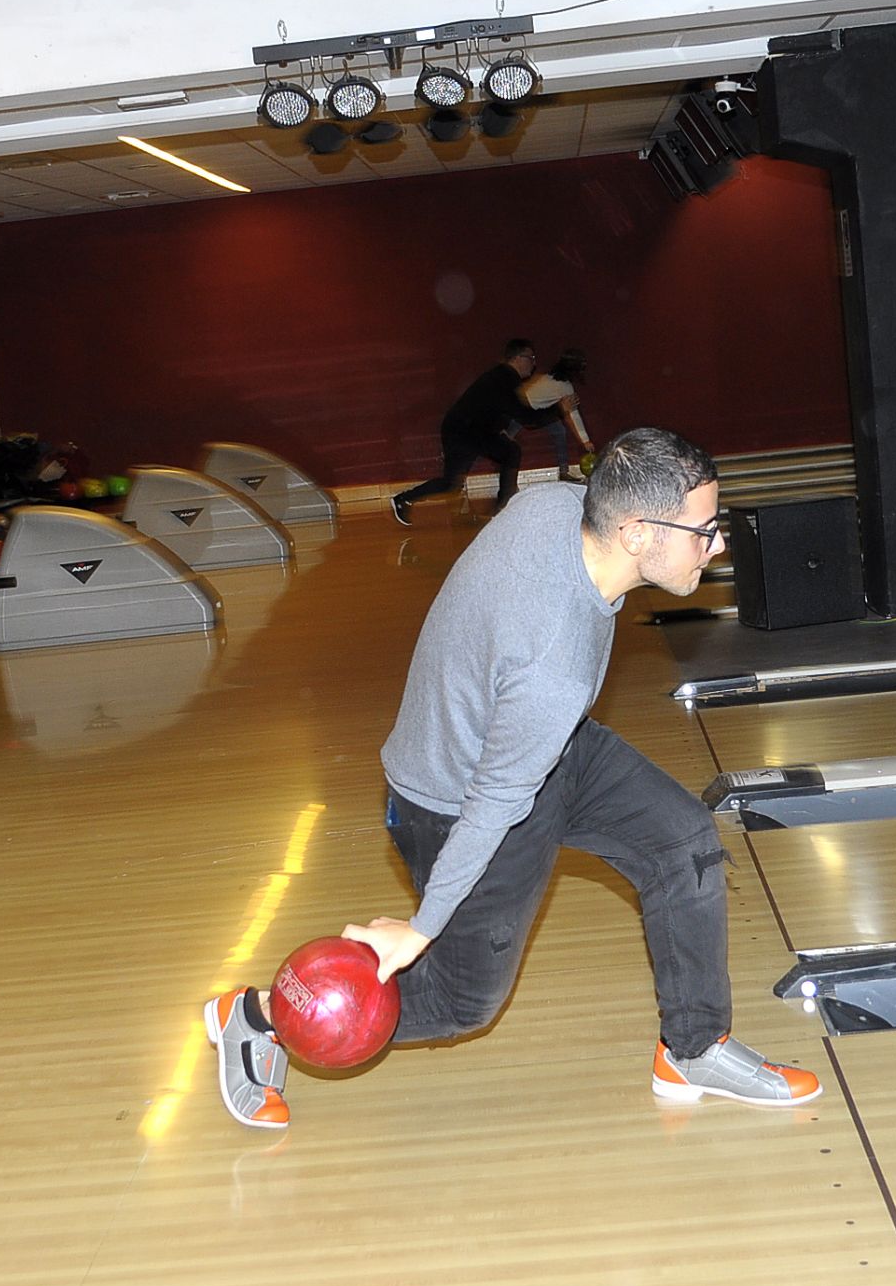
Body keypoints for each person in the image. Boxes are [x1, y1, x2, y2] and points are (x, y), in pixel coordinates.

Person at [208, 428, 820, 1130]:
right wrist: (421, 929)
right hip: (456, 803)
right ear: (634, 533)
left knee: (681, 841)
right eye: (703, 531)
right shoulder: (551, 666)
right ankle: (259, 1017)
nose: (717, 546)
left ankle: (693, 1049)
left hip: (537, 748)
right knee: (462, 1003)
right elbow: (495, 802)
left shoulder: (555, 505)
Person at [389, 339, 538, 525]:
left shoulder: (502, 376)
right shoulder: (504, 378)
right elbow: (525, 415)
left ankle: (403, 499)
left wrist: (499, 429)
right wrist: (558, 409)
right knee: (508, 453)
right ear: (516, 358)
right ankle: (503, 508)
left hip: (466, 430)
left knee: (453, 482)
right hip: (465, 432)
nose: (533, 363)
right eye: (530, 357)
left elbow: (493, 407)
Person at [512, 348, 596, 482]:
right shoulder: (565, 388)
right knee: (507, 442)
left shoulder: (548, 377)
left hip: (523, 408)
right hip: (526, 412)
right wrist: (585, 440)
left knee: (559, 430)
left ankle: (563, 472)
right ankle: (563, 472)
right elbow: (574, 415)